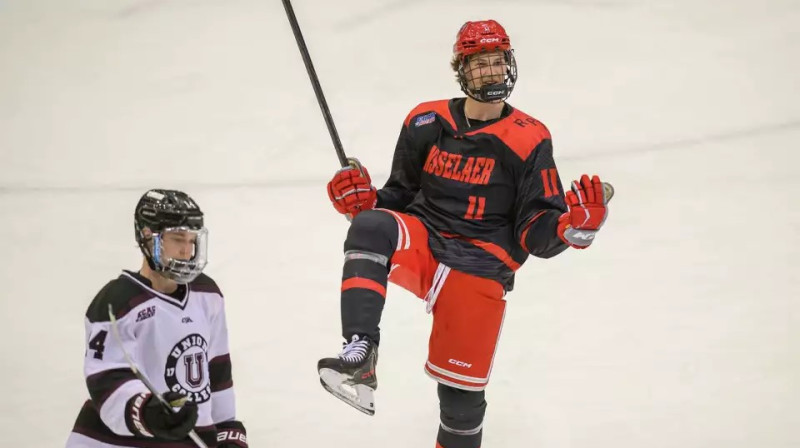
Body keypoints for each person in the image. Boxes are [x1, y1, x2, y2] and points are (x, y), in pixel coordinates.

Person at [317, 19, 610, 448]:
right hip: (424, 244)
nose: (491, 72)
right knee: (371, 225)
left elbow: (536, 232)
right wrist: (365, 203)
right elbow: (399, 196)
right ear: (460, 70)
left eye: (497, 62)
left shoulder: (529, 139)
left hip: (479, 267)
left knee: (460, 402)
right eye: (480, 64)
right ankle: (359, 355)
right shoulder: (425, 120)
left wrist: (573, 228)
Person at [66, 189, 248, 448]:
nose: (186, 251)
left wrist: (227, 430)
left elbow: (217, 370)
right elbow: (106, 381)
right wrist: (148, 414)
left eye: (191, 240)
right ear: (147, 236)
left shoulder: (207, 294)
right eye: (177, 239)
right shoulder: (117, 301)